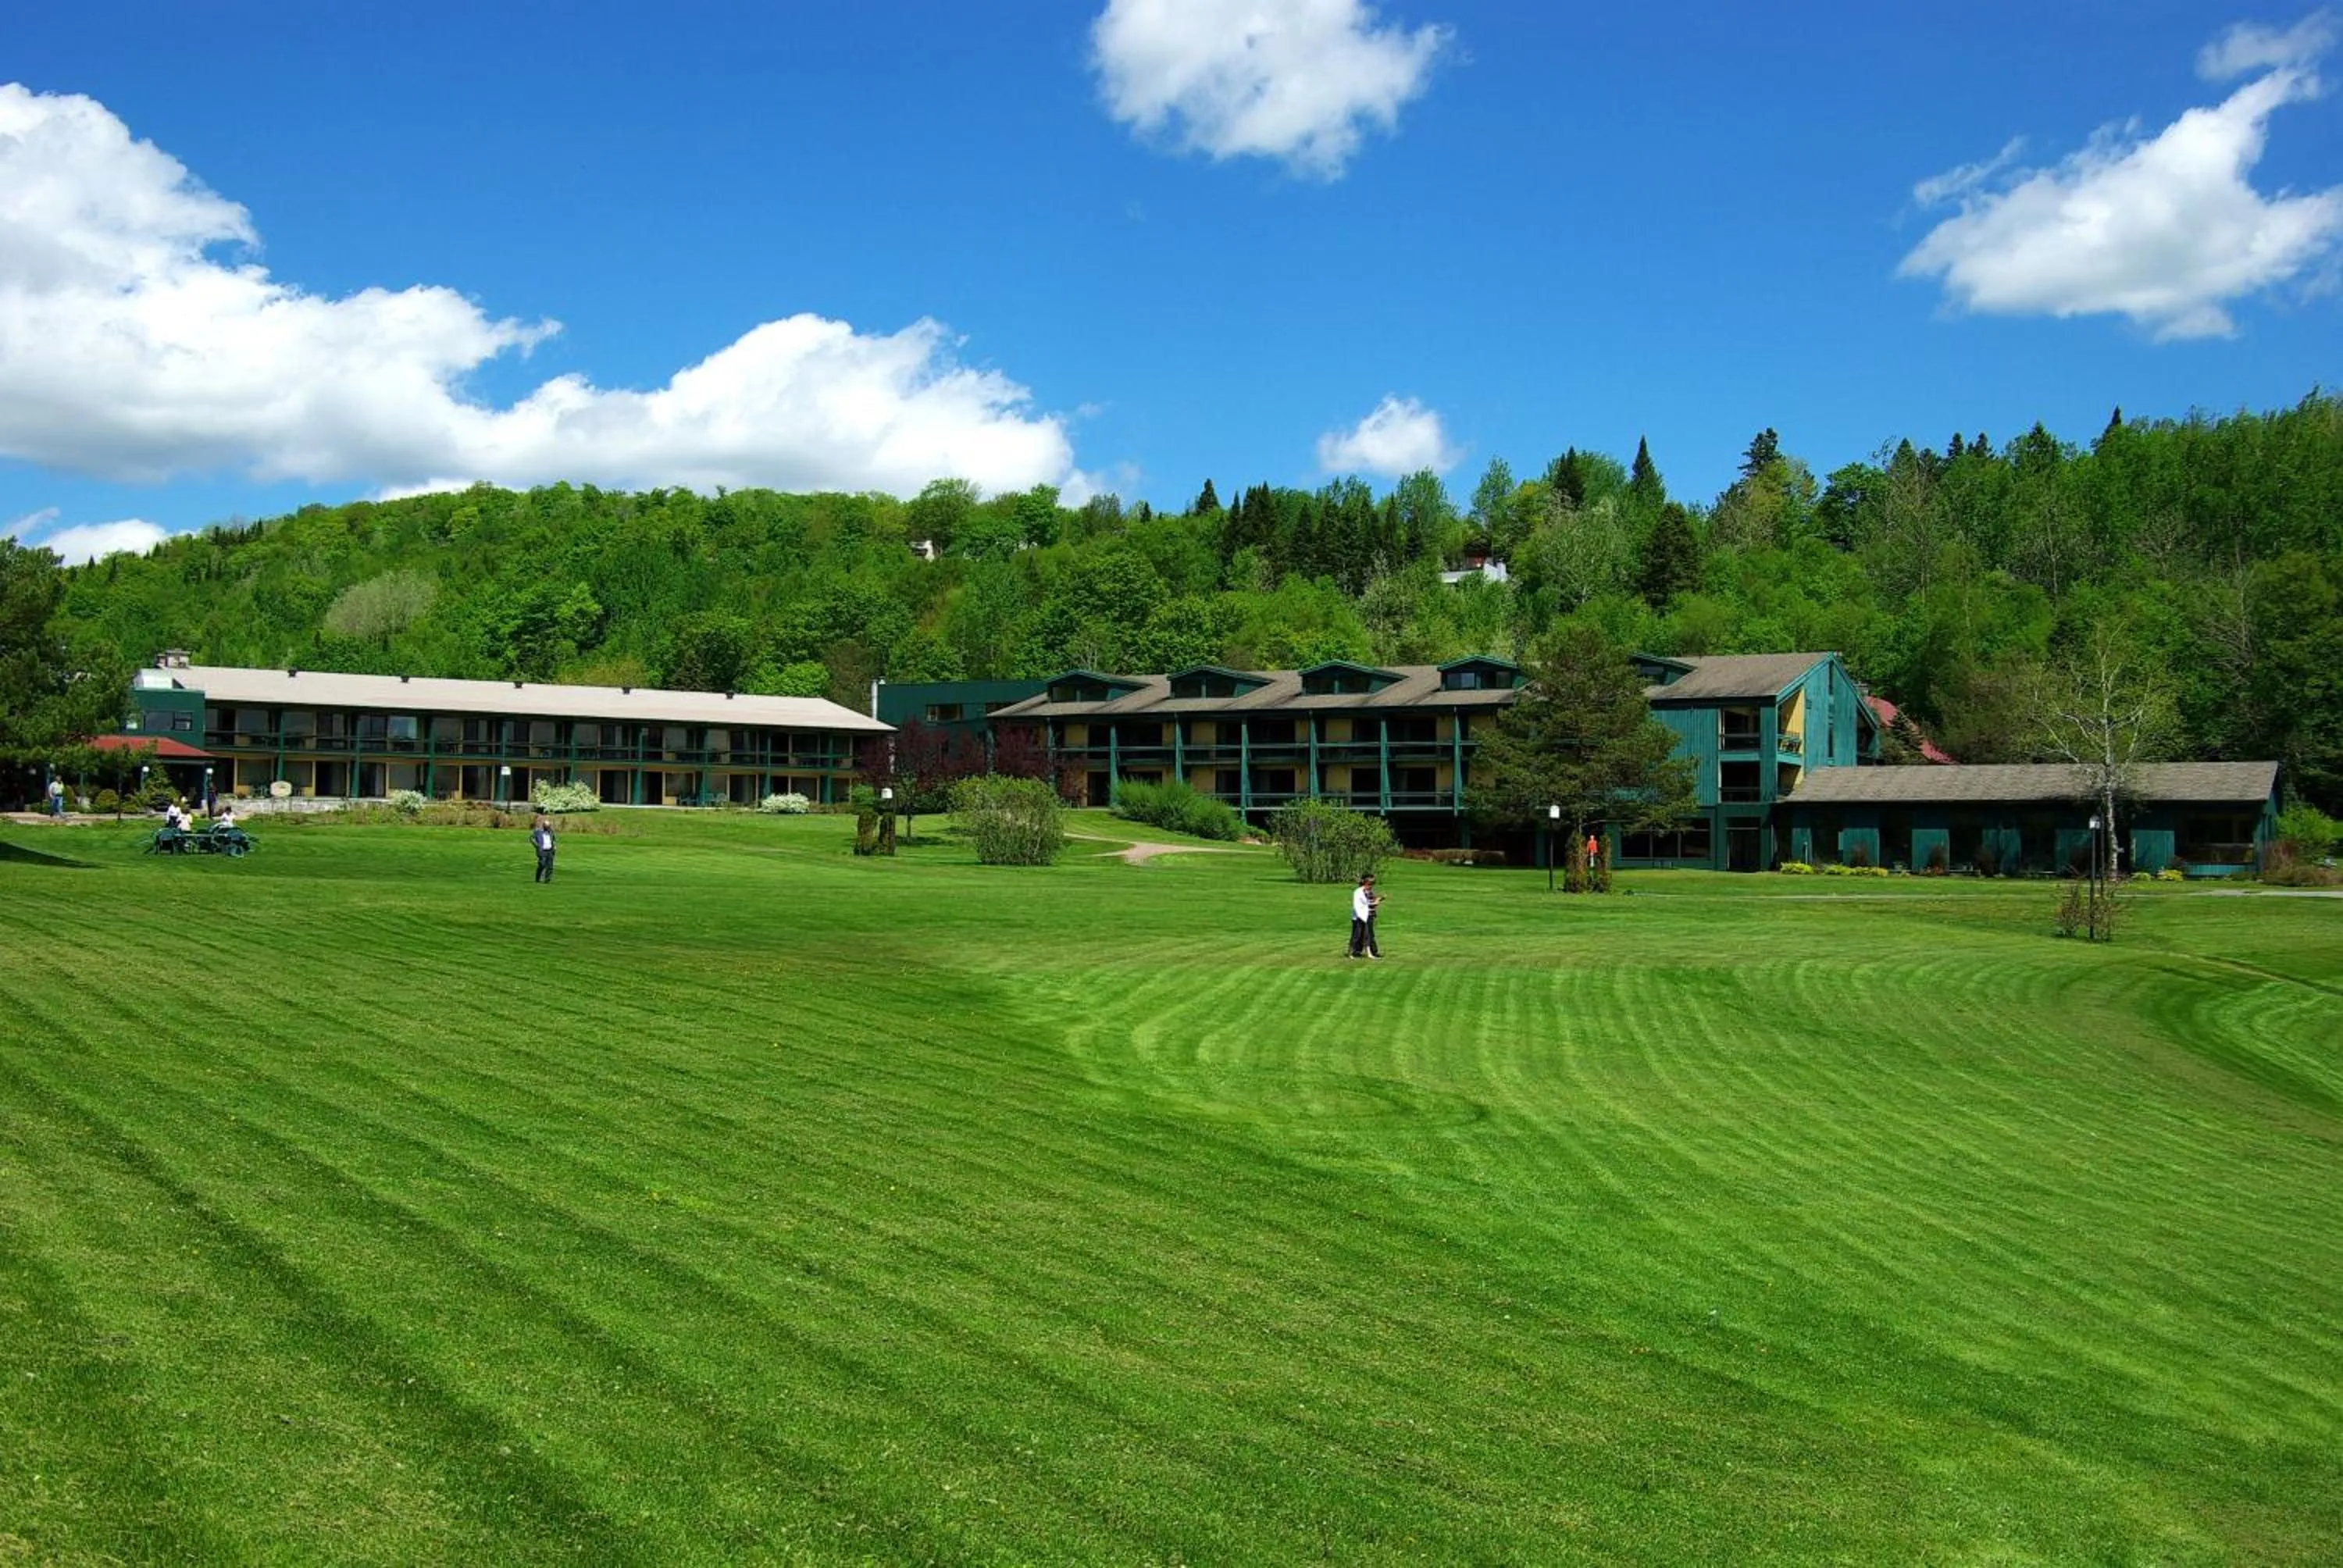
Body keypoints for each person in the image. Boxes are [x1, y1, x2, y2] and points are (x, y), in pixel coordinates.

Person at [1348, 871, 1382, 960]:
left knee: (1368, 935)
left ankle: (1370, 953)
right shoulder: (1358, 892)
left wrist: (1376, 901)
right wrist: (1375, 902)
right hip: (1359, 917)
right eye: (1370, 884)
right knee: (1357, 935)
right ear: (1366, 883)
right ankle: (1352, 952)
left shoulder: (1368, 892)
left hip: (1367, 916)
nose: (1371, 886)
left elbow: (1369, 902)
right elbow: (1360, 905)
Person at [530, 814, 556, 883]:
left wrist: (554, 847)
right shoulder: (538, 831)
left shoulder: (551, 832)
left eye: (549, 826)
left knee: (550, 866)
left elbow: (553, 840)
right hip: (542, 851)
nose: (548, 828)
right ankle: (538, 878)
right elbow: (532, 838)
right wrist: (537, 845)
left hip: (550, 851)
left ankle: (547, 880)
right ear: (544, 826)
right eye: (547, 827)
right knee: (542, 864)